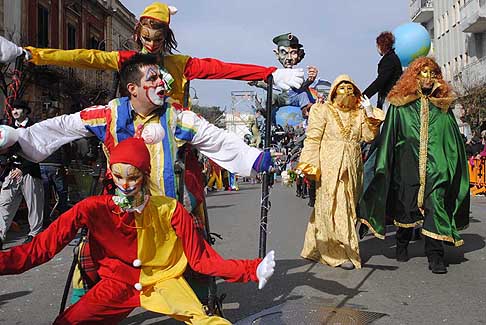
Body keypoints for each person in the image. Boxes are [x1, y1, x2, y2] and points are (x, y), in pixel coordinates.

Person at [0, 53, 275, 296]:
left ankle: (201, 302)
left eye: (162, 77)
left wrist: (252, 157)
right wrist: (21, 136)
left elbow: (213, 137)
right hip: (120, 219)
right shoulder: (109, 114)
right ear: (132, 88)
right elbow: (64, 125)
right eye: (153, 78)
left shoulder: (176, 117)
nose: (161, 84)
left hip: (165, 216)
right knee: (91, 269)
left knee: (195, 267)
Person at [0, 136, 276, 324]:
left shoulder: (169, 209)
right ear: (111, 174)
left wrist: (251, 269)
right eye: (119, 177)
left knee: (206, 321)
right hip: (115, 285)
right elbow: (42, 248)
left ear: (144, 176)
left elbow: (202, 259)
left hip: (164, 282)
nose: (126, 184)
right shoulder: (92, 208)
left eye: (133, 177)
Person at [0, 3, 303, 106]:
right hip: (134, 136)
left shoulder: (180, 65)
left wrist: (270, 72)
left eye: (158, 38)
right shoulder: (125, 60)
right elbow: (84, 56)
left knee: (188, 199)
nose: (151, 44)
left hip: (175, 137)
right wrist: (30, 54)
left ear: (166, 37)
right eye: (146, 38)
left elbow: (223, 68)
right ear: (138, 36)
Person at [359, 57, 470, 274]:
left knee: (435, 206)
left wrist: (451, 165)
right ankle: (402, 243)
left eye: (432, 73)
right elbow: (389, 138)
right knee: (405, 208)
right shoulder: (401, 106)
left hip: (436, 169)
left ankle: (435, 256)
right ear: (414, 76)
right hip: (406, 166)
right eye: (423, 73)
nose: (428, 78)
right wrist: (383, 164)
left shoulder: (442, 106)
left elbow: (453, 141)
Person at [296, 75, 384, 270]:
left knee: (335, 207)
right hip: (329, 165)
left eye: (350, 88)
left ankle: (314, 247)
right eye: (342, 88)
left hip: (352, 167)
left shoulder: (359, 113)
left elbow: (369, 137)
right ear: (334, 91)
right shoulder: (323, 110)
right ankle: (340, 253)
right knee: (334, 205)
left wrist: (369, 111)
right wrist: (309, 164)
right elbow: (313, 138)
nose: (347, 91)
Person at [0, 101, 44, 249]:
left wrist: (23, 168)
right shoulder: (8, 129)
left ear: (26, 111)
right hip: (12, 171)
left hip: (29, 171)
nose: (15, 111)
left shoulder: (34, 128)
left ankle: (34, 234)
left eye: (18, 108)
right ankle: (1, 235)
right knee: (4, 203)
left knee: (34, 204)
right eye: (13, 109)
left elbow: (38, 151)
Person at [39, 106, 71, 225]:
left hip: (42, 162)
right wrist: (66, 164)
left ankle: (45, 219)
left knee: (45, 194)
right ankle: (64, 218)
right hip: (56, 164)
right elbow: (65, 148)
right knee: (62, 193)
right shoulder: (59, 128)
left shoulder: (42, 127)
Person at [363, 31, 402, 110]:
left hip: (390, 99)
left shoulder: (389, 60)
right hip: (394, 98)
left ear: (381, 46)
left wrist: (364, 95)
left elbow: (380, 81)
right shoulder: (393, 58)